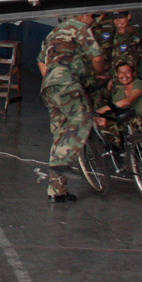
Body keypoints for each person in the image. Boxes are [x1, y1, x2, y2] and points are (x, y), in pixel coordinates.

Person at [37, 13, 106, 203]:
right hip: (67, 84)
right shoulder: (79, 27)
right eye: (92, 16)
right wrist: (101, 74)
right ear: (83, 15)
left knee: (60, 135)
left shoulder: (53, 33)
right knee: (83, 117)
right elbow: (98, 57)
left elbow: (41, 61)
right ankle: (62, 162)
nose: (93, 21)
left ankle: (57, 191)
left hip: (49, 89)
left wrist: (52, 79)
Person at [95, 62, 142, 138]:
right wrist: (105, 120)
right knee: (105, 129)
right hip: (129, 123)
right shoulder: (119, 94)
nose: (124, 75)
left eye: (127, 72)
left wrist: (105, 108)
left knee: (128, 122)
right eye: (121, 72)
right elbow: (116, 112)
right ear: (117, 75)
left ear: (134, 73)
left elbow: (128, 101)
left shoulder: (139, 84)